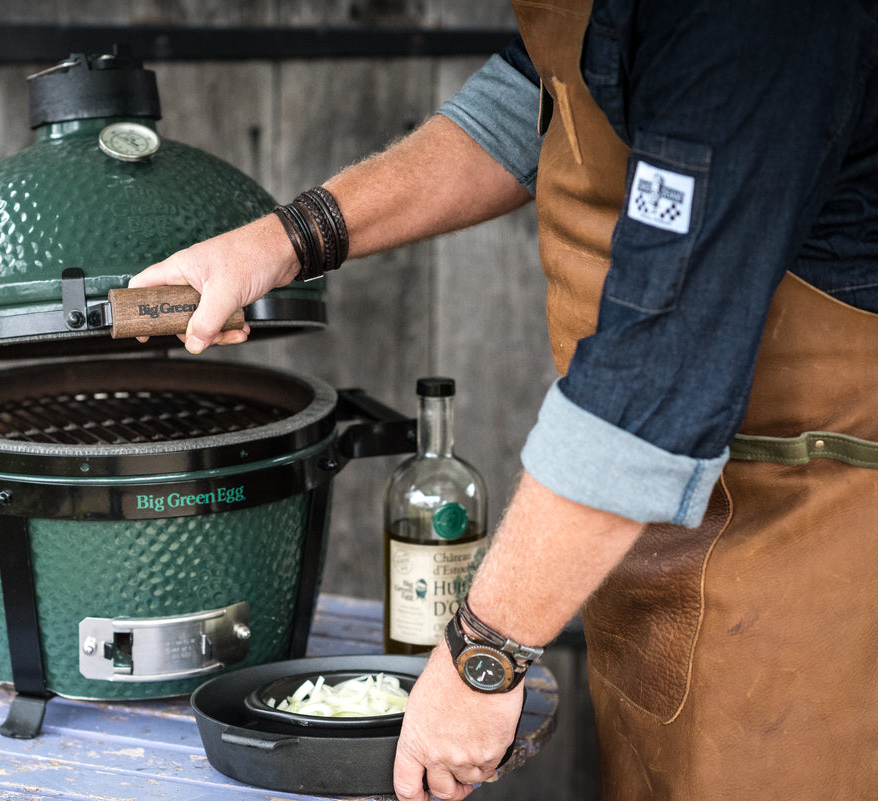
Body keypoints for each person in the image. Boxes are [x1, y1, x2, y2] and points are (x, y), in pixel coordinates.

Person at [131, 1, 878, 799]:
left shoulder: (751, 27)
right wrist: (280, 243)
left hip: (815, 548)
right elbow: (534, 99)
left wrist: (480, 657)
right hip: (644, 533)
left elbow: (647, 386)